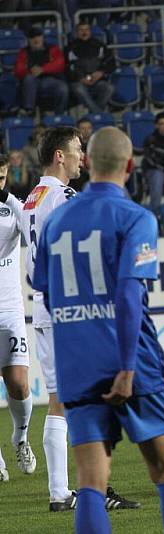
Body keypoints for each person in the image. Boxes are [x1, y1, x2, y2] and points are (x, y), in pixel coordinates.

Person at [30, 127, 164, 533]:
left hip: (79, 366)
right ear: (129, 165)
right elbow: (128, 296)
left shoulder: (57, 221)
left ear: (89, 163)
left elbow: (46, 293)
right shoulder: (134, 217)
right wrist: (126, 366)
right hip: (132, 361)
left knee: (90, 481)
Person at [0, 126, 138, 512]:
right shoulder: (64, 197)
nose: (82, 156)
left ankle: (64, 492)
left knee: (62, 400)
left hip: (43, 307)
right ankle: (88, 488)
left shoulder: (31, 198)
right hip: (68, 310)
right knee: (88, 398)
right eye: (77, 149)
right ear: (59, 155)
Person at [0, 154, 36, 484]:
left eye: (2, 176)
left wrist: (9, 198)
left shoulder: (15, 207)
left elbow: (33, 225)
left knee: (20, 383)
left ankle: (20, 438)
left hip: (10, 309)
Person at [14, 27, 69, 115]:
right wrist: (31, 71)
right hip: (32, 82)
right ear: (28, 39)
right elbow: (18, 70)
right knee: (29, 78)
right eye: (32, 37)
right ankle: (29, 110)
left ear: (42, 37)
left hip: (50, 80)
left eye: (38, 36)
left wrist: (43, 69)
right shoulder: (24, 52)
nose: (36, 39)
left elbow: (60, 64)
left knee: (63, 87)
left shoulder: (52, 48)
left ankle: (60, 116)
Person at [66, 21, 115, 115]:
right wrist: (80, 78)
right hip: (79, 82)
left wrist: (101, 72)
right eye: (81, 30)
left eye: (86, 29)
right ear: (76, 32)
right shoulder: (70, 48)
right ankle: (98, 115)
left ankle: (93, 115)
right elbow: (68, 68)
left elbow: (111, 63)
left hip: (97, 81)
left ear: (90, 31)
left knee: (109, 88)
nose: (84, 32)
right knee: (78, 89)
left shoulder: (99, 45)